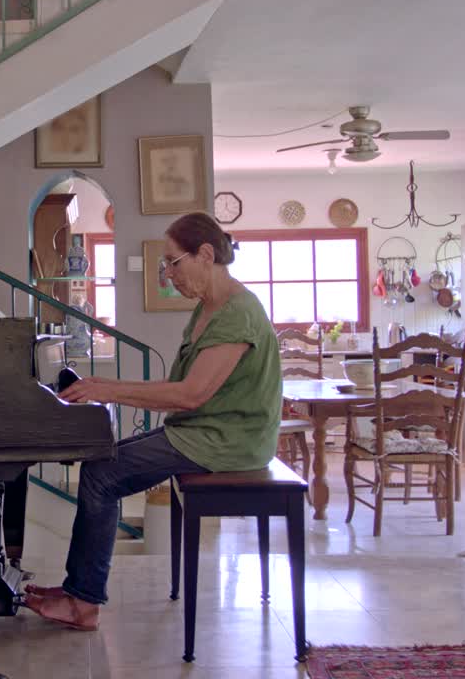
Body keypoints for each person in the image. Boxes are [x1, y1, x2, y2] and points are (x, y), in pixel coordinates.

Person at [23, 212, 282, 630]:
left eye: (173, 263)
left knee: (102, 473)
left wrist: (106, 388)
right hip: (205, 432)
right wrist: (104, 388)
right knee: (102, 463)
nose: (168, 275)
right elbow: (181, 391)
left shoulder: (237, 313)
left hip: (231, 441)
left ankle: (83, 602)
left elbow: (191, 394)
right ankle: (77, 590)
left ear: (205, 254)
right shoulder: (209, 309)